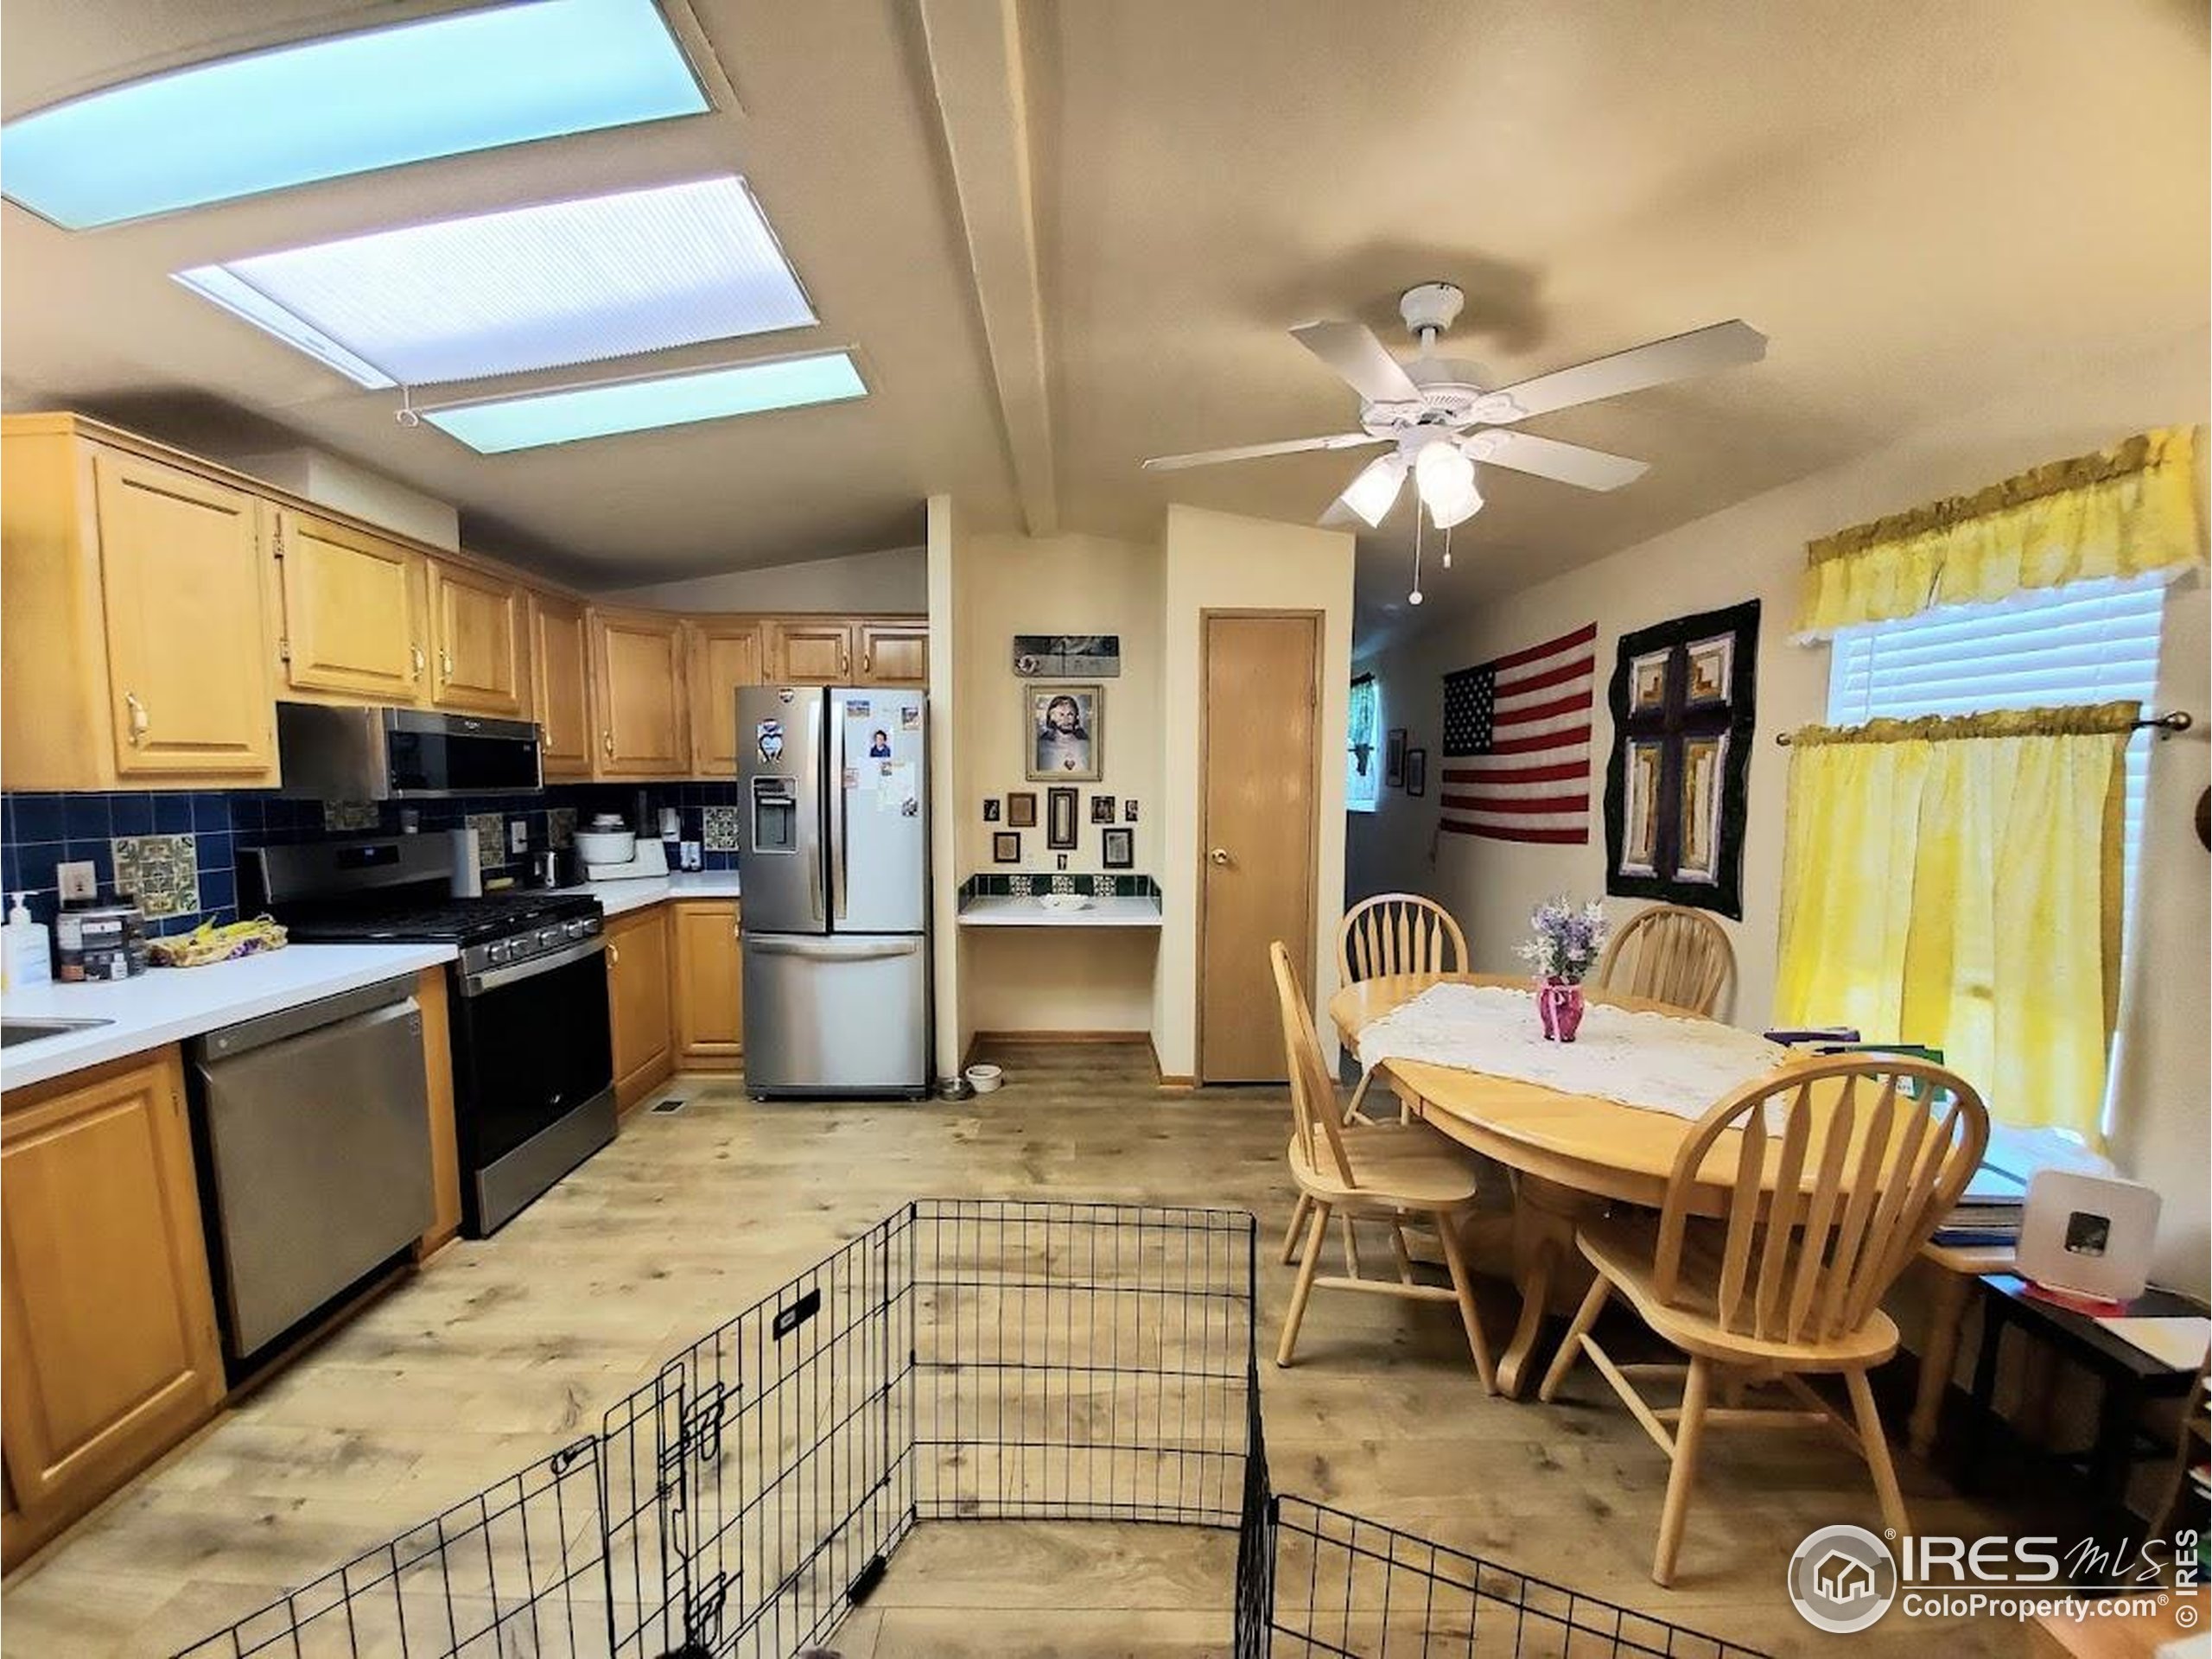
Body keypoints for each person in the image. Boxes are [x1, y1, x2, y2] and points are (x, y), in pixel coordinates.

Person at [1033, 694, 1090, 774]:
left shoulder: (1087, 745)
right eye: (1061, 715)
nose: (1066, 719)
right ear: (1052, 717)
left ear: (1076, 717)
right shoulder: (1041, 747)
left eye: (1070, 714)